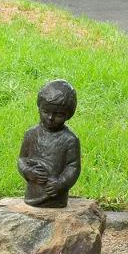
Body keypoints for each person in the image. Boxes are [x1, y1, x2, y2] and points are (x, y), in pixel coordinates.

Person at [17, 79, 81, 208]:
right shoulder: (31, 134)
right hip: (33, 193)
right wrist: (28, 172)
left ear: (69, 115)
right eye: (46, 112)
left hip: (56, 195)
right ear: (39, 108)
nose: (50, 118)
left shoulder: (70, 140)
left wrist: (61, 184)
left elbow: (73, 166)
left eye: (58, 114)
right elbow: (22, 159)